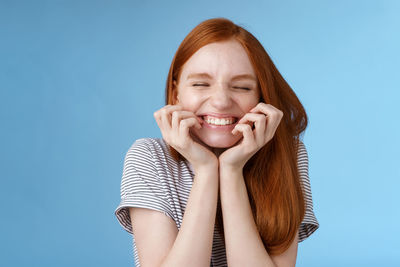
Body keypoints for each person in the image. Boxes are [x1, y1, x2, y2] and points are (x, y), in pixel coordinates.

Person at [115, 17, 319, 267]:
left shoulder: (288, 155)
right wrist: (206, 169)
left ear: (261, 96)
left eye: (242, 87)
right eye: (201, 84)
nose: (221, 101)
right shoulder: (149, 158)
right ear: (176, 91)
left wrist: (231, 170)